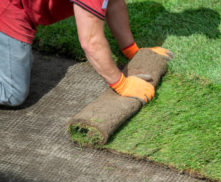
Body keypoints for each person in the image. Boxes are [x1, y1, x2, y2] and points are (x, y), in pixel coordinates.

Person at [0, 0, 173, 107]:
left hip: (23, 8)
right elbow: (91, 42)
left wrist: (131, 49)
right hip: (9, 9)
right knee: (12, 93)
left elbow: (114, 3)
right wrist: (121, 84)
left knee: (23, 62)